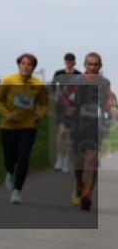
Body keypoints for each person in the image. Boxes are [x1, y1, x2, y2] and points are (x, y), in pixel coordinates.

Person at [0, 53, 49, 205]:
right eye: (23, 63)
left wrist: (40, 115)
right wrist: (7, 114)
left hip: (28, 126)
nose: (26, 66)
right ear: (18, 65)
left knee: (23, 158)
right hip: (8, 126)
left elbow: (45, 105)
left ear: (33, 67)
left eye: (29, 64)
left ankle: (17, 191)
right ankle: (10, 171)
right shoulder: (8, 80)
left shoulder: (38, 85)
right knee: (9, 158)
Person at [68, 52, 116, 211]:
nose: (92, 67)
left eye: (96, 64)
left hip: (96, 124)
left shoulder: (104, 83)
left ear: (100, 66)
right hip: (78, 123)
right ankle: (79, 184)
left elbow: (109, 99)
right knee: (78, 160)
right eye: (89, 64)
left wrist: (113, 109)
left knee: (93, 159)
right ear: (85, 65)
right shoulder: (77, 80)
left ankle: (88, 195)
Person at [51, 53, 81, 171]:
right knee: (61, 132)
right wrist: (56, 93)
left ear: (74, 62)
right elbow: (53, 86)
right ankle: (60, 158)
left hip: (74, 107)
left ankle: (67, 159)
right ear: (64, 62)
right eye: (66, 61)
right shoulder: (58, 73)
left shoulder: (79, 75)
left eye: (70, 61)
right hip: (61, 107)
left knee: (69, 134)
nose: (68, 63)